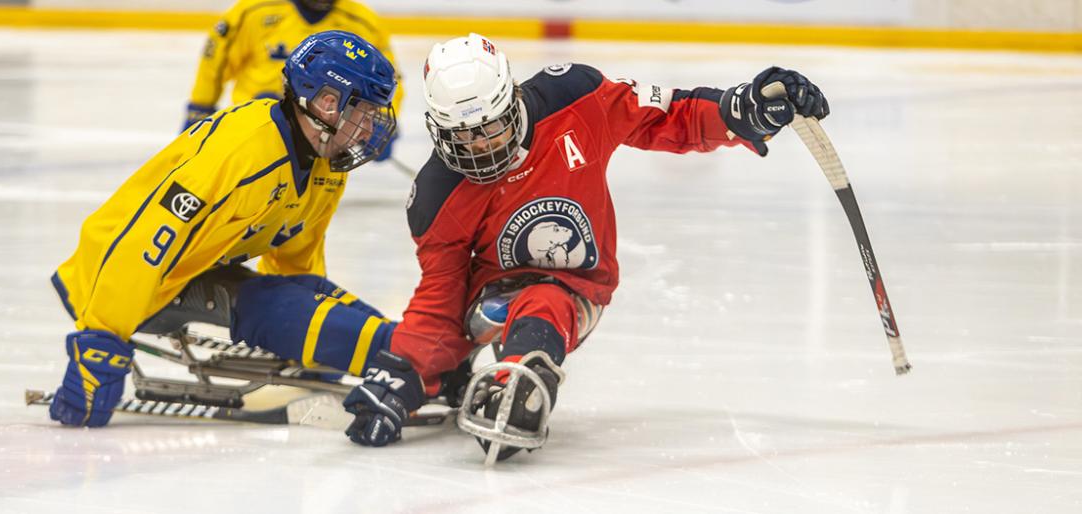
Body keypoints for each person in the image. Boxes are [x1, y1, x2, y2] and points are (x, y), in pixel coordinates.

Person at [339, 33, 830, 460]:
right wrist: (404, 373)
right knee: (463, 329)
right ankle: (459, 372)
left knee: (545, 302)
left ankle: (519, 378)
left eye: (490, 127)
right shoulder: (436, 196)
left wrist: (738, 112)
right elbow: (441, 297)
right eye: (463, 137)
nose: (482, 147)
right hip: (489, 298)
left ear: (512, 101)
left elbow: (666, 115)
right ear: (439, 130)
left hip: (577, 285)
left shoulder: (575, 97)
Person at [47, 31, 399, 428]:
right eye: (364, 114)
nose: (369, 131)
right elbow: (142, 241)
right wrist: (101, 340)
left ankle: (404, 350)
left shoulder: (324, 162)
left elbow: (297, 264)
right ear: (327, 103)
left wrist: (312, 340)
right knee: (269, 305)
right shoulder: (240, 152)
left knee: (303, 298)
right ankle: (404, 359)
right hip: (121, 283)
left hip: (195, 265)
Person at [184, 0, 403, 160]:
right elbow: (214, 60)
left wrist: (376, 121)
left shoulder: (364, 23)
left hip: (323, 138)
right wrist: (201, 105)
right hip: (253, 132)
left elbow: (387, 79)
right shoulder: (253, 11)